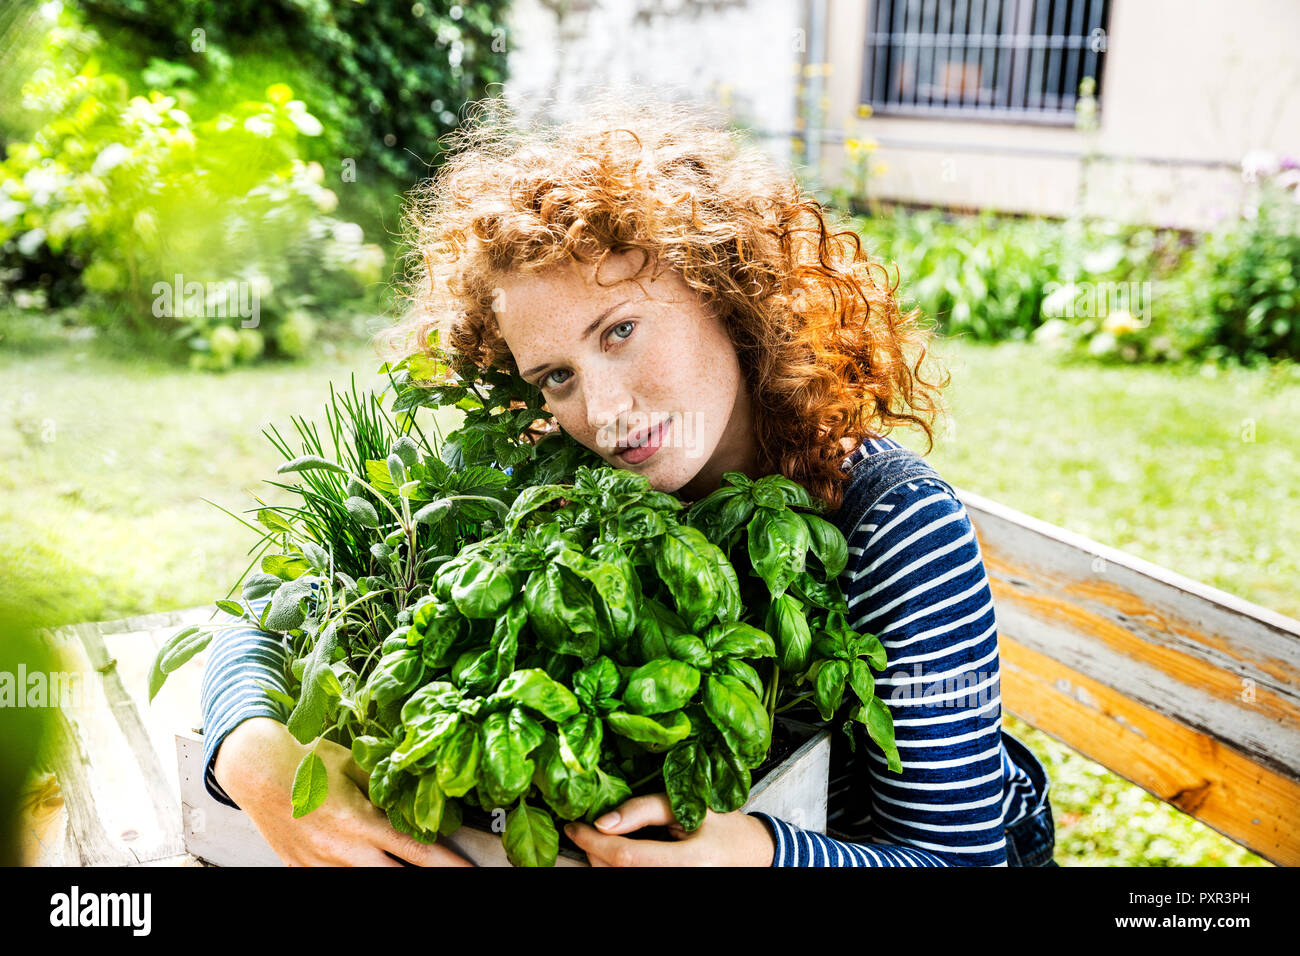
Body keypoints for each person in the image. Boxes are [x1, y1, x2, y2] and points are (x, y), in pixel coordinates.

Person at [204, 92, 1056, 866]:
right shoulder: (551, 472)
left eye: (619, 331)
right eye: (556, 375)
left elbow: (958, 860)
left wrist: (758, 855)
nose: (603, 411)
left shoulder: (892, 522)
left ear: (726, 290)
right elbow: (277, 608)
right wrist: (249, 751)